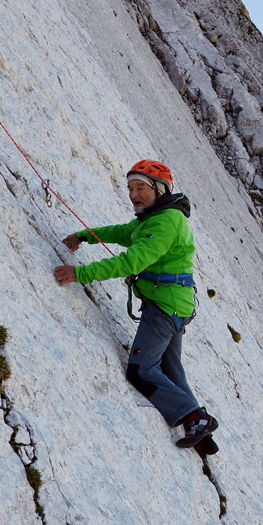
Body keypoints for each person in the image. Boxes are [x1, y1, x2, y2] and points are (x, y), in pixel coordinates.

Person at [54, 160, 219, 453]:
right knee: (170, 370)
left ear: (159, 189)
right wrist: (84, 235)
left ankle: (196, 418)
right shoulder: (155, 218)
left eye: (140, 188)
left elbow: (132, 261)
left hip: (164, 308)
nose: (133, 194)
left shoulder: (166, 221)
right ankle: (200, 431)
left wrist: (80, 274)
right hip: (175, 305)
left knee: (141, 369)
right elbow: (122, 233)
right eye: (130, 188)